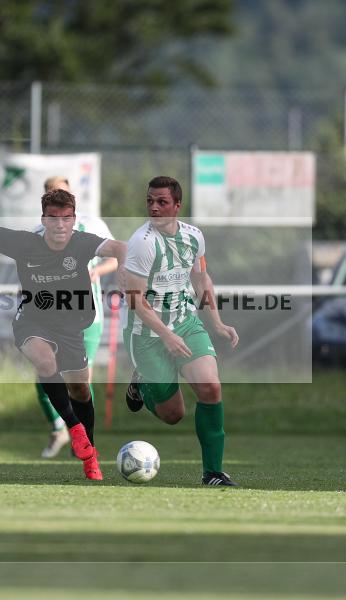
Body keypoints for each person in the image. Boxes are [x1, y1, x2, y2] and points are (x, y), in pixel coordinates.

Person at [0, 188, 126, 480]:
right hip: (33, 321)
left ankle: (90, 454)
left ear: (74, 220)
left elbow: (120, 249)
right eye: (53, 218)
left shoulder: (84, 243)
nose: (60, 225)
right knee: (45, 363)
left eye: (66, 219)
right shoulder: (24, 243)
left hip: (72, 325)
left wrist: (125, 273)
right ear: (43, 220)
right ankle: (72, 427)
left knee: (81, 388)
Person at [123, 176, 240, 486]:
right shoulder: (141, 244)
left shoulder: (193, 237)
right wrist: (165, 334)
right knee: (173, 414)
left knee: (211, 388)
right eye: (150, 201)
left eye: (162, 202)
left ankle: (212, 472)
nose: (154, 207)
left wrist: (216, 322)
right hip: (147, 335)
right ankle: (141, 384)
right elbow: (134, 299)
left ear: (177, 205)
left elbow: (201, 278)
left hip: (186, 323)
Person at [33, 176, 118, 458]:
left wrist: (97, 272)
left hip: (86, 316)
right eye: (51, 194)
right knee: (44, 374)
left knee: (81, 380)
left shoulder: (92, 224)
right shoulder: (37, 232)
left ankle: (83, 438)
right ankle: (61, 427)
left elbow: (115, 257)